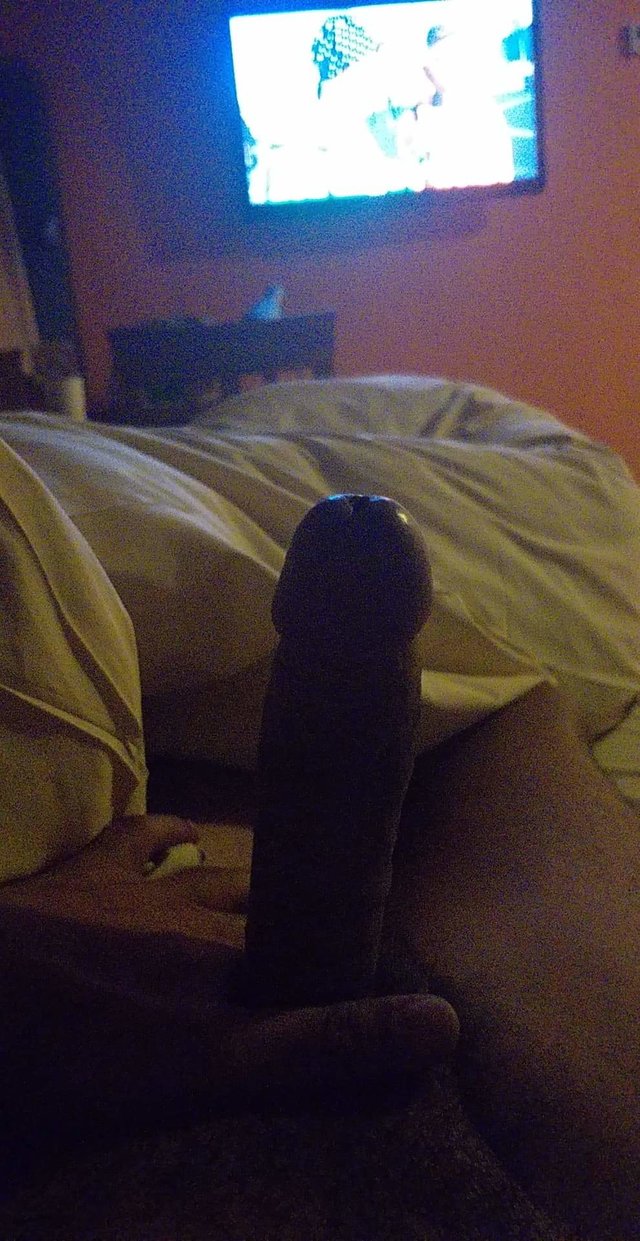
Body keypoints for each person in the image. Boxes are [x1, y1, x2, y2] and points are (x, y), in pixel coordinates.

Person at [0, 378, 638, 1236]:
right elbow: (500, 703)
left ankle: (236, 417)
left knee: (414, 473)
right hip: (91, 476)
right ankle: (238, 419)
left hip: (88, 471)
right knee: (586, 498)